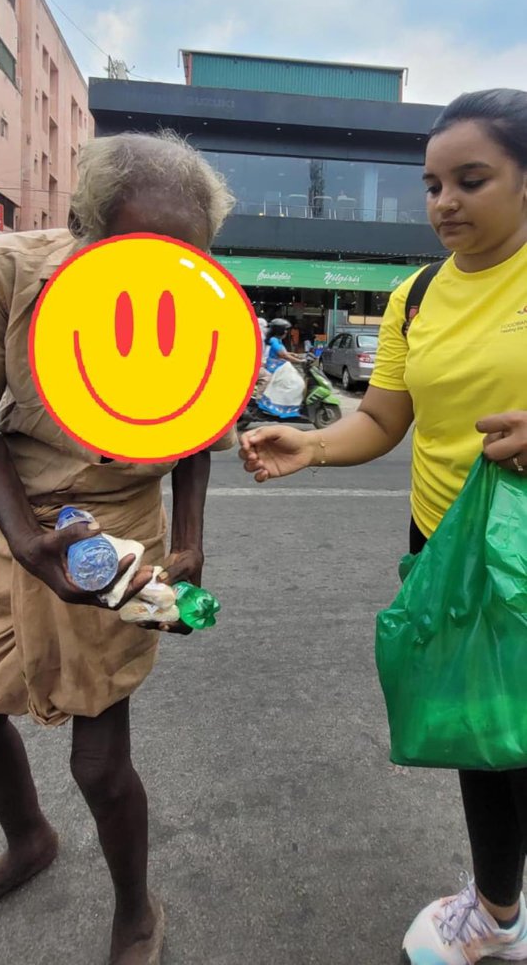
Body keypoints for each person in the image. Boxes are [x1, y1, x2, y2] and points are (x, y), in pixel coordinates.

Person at [240, 89, 527, 965]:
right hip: (449, 554)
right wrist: (314, 447)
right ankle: (498, 915)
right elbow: (384, 419)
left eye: (470, 180)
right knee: (486, 740)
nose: (443, 202)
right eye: (433, 183)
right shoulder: (417, 292)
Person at [0, 130, 237, 964]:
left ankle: (135, 908)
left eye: (188, 254)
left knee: (100, 761)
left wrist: (192, 540)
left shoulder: (197, 305)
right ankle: (29, 841)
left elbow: (196, 428)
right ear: (87, 228)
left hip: (118, 529)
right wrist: (24, 536)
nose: (165, 271)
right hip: (8, 517)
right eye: (140, 246)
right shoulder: (10, 275)